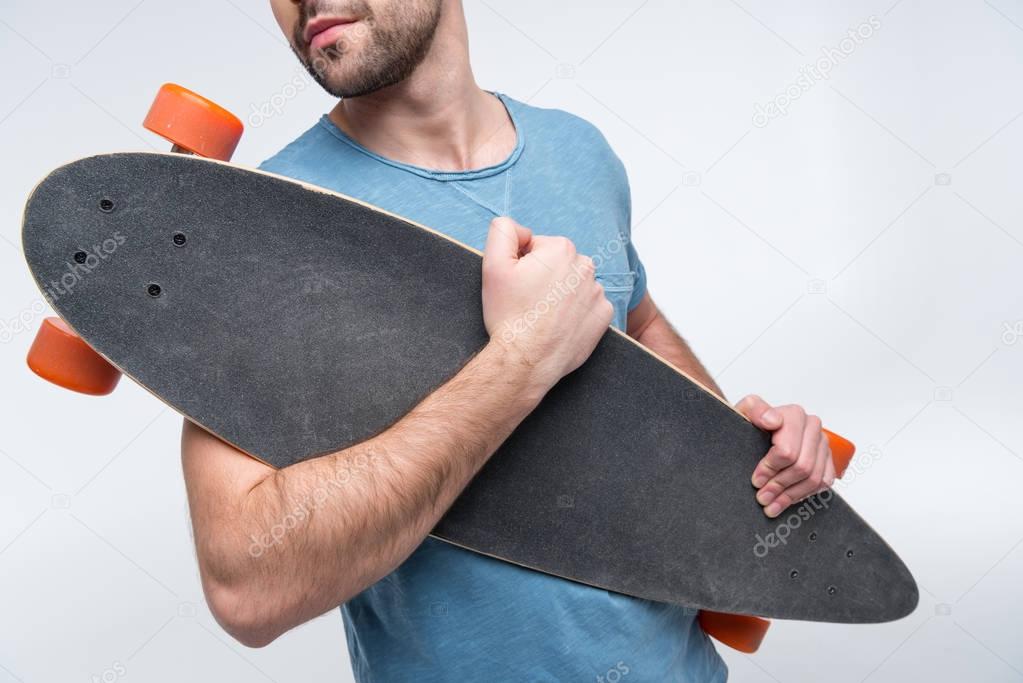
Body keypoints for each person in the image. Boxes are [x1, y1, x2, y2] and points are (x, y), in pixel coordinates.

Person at [181, 1, 838, 680]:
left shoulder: (576, 150)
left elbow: (633, 322)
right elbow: (247, 588)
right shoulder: (261, 223)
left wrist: (744, 452)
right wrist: (519, 361)